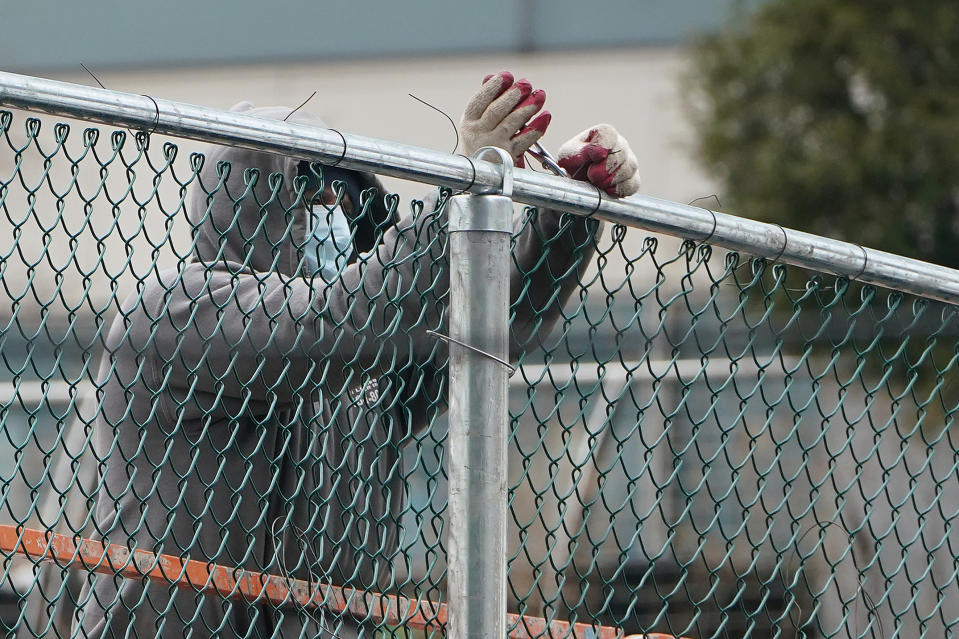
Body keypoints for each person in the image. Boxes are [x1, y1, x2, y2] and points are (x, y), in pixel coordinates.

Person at [73, 71, 640, 638]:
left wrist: (567, 214)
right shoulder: (174, 313)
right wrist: (459, 189)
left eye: (343, 198)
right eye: (312, 195)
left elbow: (497, 325)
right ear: (246, 201)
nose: (334, 216)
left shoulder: (371, 355)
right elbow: (328, 323)